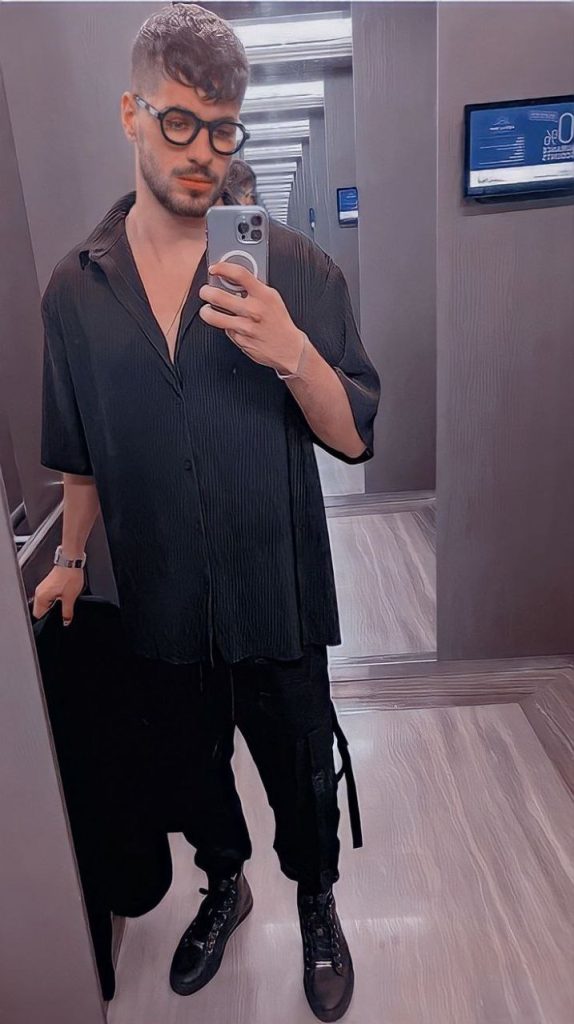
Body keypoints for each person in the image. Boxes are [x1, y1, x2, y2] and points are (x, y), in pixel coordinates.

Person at [33, 4, 380, 1021]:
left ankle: (316, 900)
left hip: (279, 593)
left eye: (222, 128)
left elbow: (354, 437)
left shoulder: (298, 271)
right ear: (131, 114)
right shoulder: (76, 293)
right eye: (179, 122)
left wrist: (293, 352)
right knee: (190, 773)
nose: (203, 152)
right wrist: (71, 558)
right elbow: (80, 454)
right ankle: (224, 884)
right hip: (164, 603)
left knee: (302, 776)